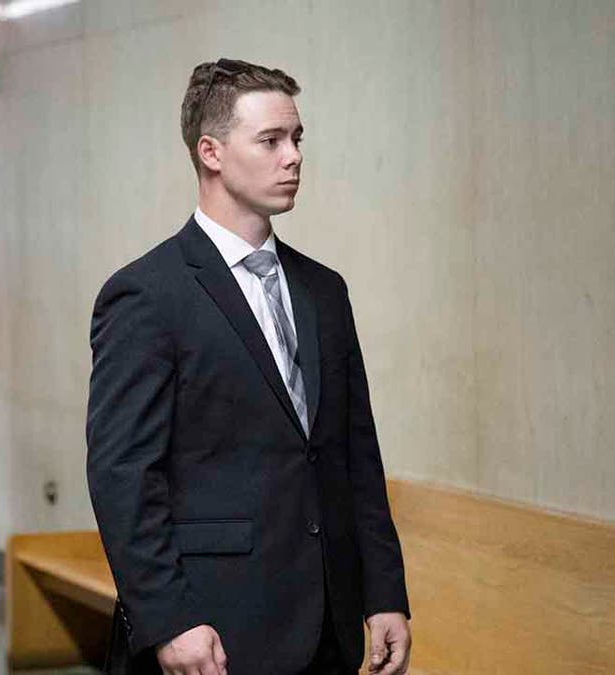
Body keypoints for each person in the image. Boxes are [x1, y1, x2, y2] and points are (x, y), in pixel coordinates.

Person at [86, 59, 411, 674]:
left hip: (329, 626)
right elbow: (123, 474)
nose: (293, 157)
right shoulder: (147, 296)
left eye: (297, 139)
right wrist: (168, 619)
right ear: (210, 151)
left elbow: (354, 456)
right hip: (213, 630)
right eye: (270, 141)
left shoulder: (324, 291)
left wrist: (384, 592)